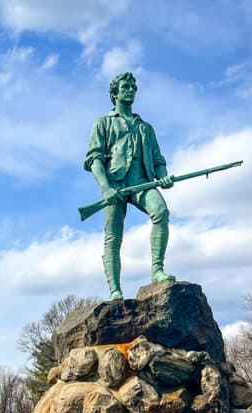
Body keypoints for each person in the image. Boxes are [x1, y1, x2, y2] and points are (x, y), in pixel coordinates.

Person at [84, 71, 174, 300]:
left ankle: (157, 270)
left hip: (141, 183)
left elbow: (158, 160)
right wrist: (106, 187)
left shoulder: (146, 127)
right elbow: (94, 159)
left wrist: (163, 177)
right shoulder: (103, 123)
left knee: (161, 212)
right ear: (114, 93)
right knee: (113, 238)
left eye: (133, 87)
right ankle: (115, 289)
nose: (131, 90)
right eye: (125, 86)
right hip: (114, 186)